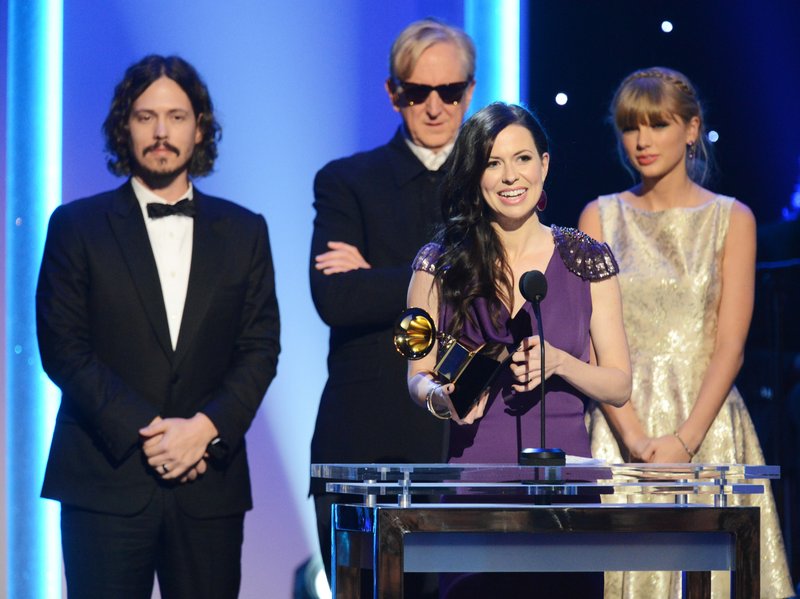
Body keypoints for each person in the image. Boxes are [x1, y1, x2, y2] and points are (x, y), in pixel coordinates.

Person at [36, 55, 280, 598]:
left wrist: (203, 430)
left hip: (208, 483)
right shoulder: (76, 226)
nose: (162, 132)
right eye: (146, 117)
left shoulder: (245, 231)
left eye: (176, 116)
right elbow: (63, 348)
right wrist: (151, 432)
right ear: (124, 127)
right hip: (105, 480)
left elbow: (260, 349)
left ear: (200, 128)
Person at [579, 66, 793, 598]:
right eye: (631, 127)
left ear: (691, 129)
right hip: (620, 424)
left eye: (658, 124)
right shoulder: (599, 218)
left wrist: (684, 441)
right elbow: (593, 344)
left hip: (707, 423)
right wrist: (635, 440)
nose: (642, 140)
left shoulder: (731, 219)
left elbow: (731, 346)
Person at [406, 102, 632, 598]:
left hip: (566, 496)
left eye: (523, 159)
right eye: (493, 163)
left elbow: (619, 385)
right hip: (475, 490)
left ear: (543, 165)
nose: (510, 176)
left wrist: (562, 362)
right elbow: (417, 375)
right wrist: (441, 398)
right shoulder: (437, 264)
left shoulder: (587, 258)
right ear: (475, 175)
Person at [309, 18, 476, 589]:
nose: (434, 106)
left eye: (448, 91)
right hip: (365, 436)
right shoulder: (346, 181)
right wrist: (452, 277)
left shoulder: (493, 183)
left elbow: (503, 292)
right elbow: (337, 298)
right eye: (417, 91)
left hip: (464, 440)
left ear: (469, 92)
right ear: (392, 92)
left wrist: (381, 278)